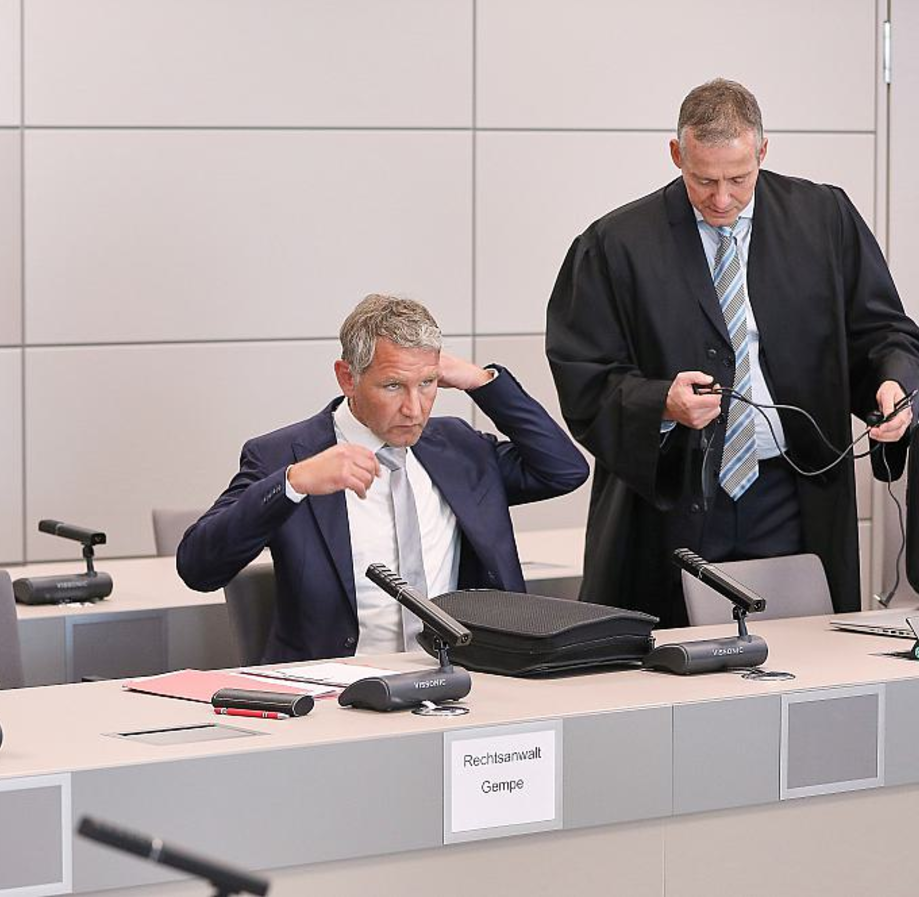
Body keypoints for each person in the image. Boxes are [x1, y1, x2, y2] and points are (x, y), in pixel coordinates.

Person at [546, 78, 919, 626]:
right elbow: (584, 374)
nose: (721, 199)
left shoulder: (824, 218)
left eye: (739, 179)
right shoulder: (615, 244)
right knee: (676, 658)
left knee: (805, 652)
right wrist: (661, 402)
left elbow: (881, 330)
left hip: (795, 492)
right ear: (676, 155)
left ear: (762, 151)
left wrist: (894, 382)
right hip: (671, 499)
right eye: (704, 180)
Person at [178, 294, 589, 662]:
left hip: (465, 679)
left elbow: (563, 469)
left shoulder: (459, 446)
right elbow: (199, 568)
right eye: (393, 386)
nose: (414, 409)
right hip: (337, 687)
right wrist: (292, 484)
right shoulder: (285, 456)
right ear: (347, 378)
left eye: (427, 384)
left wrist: (481, 382)